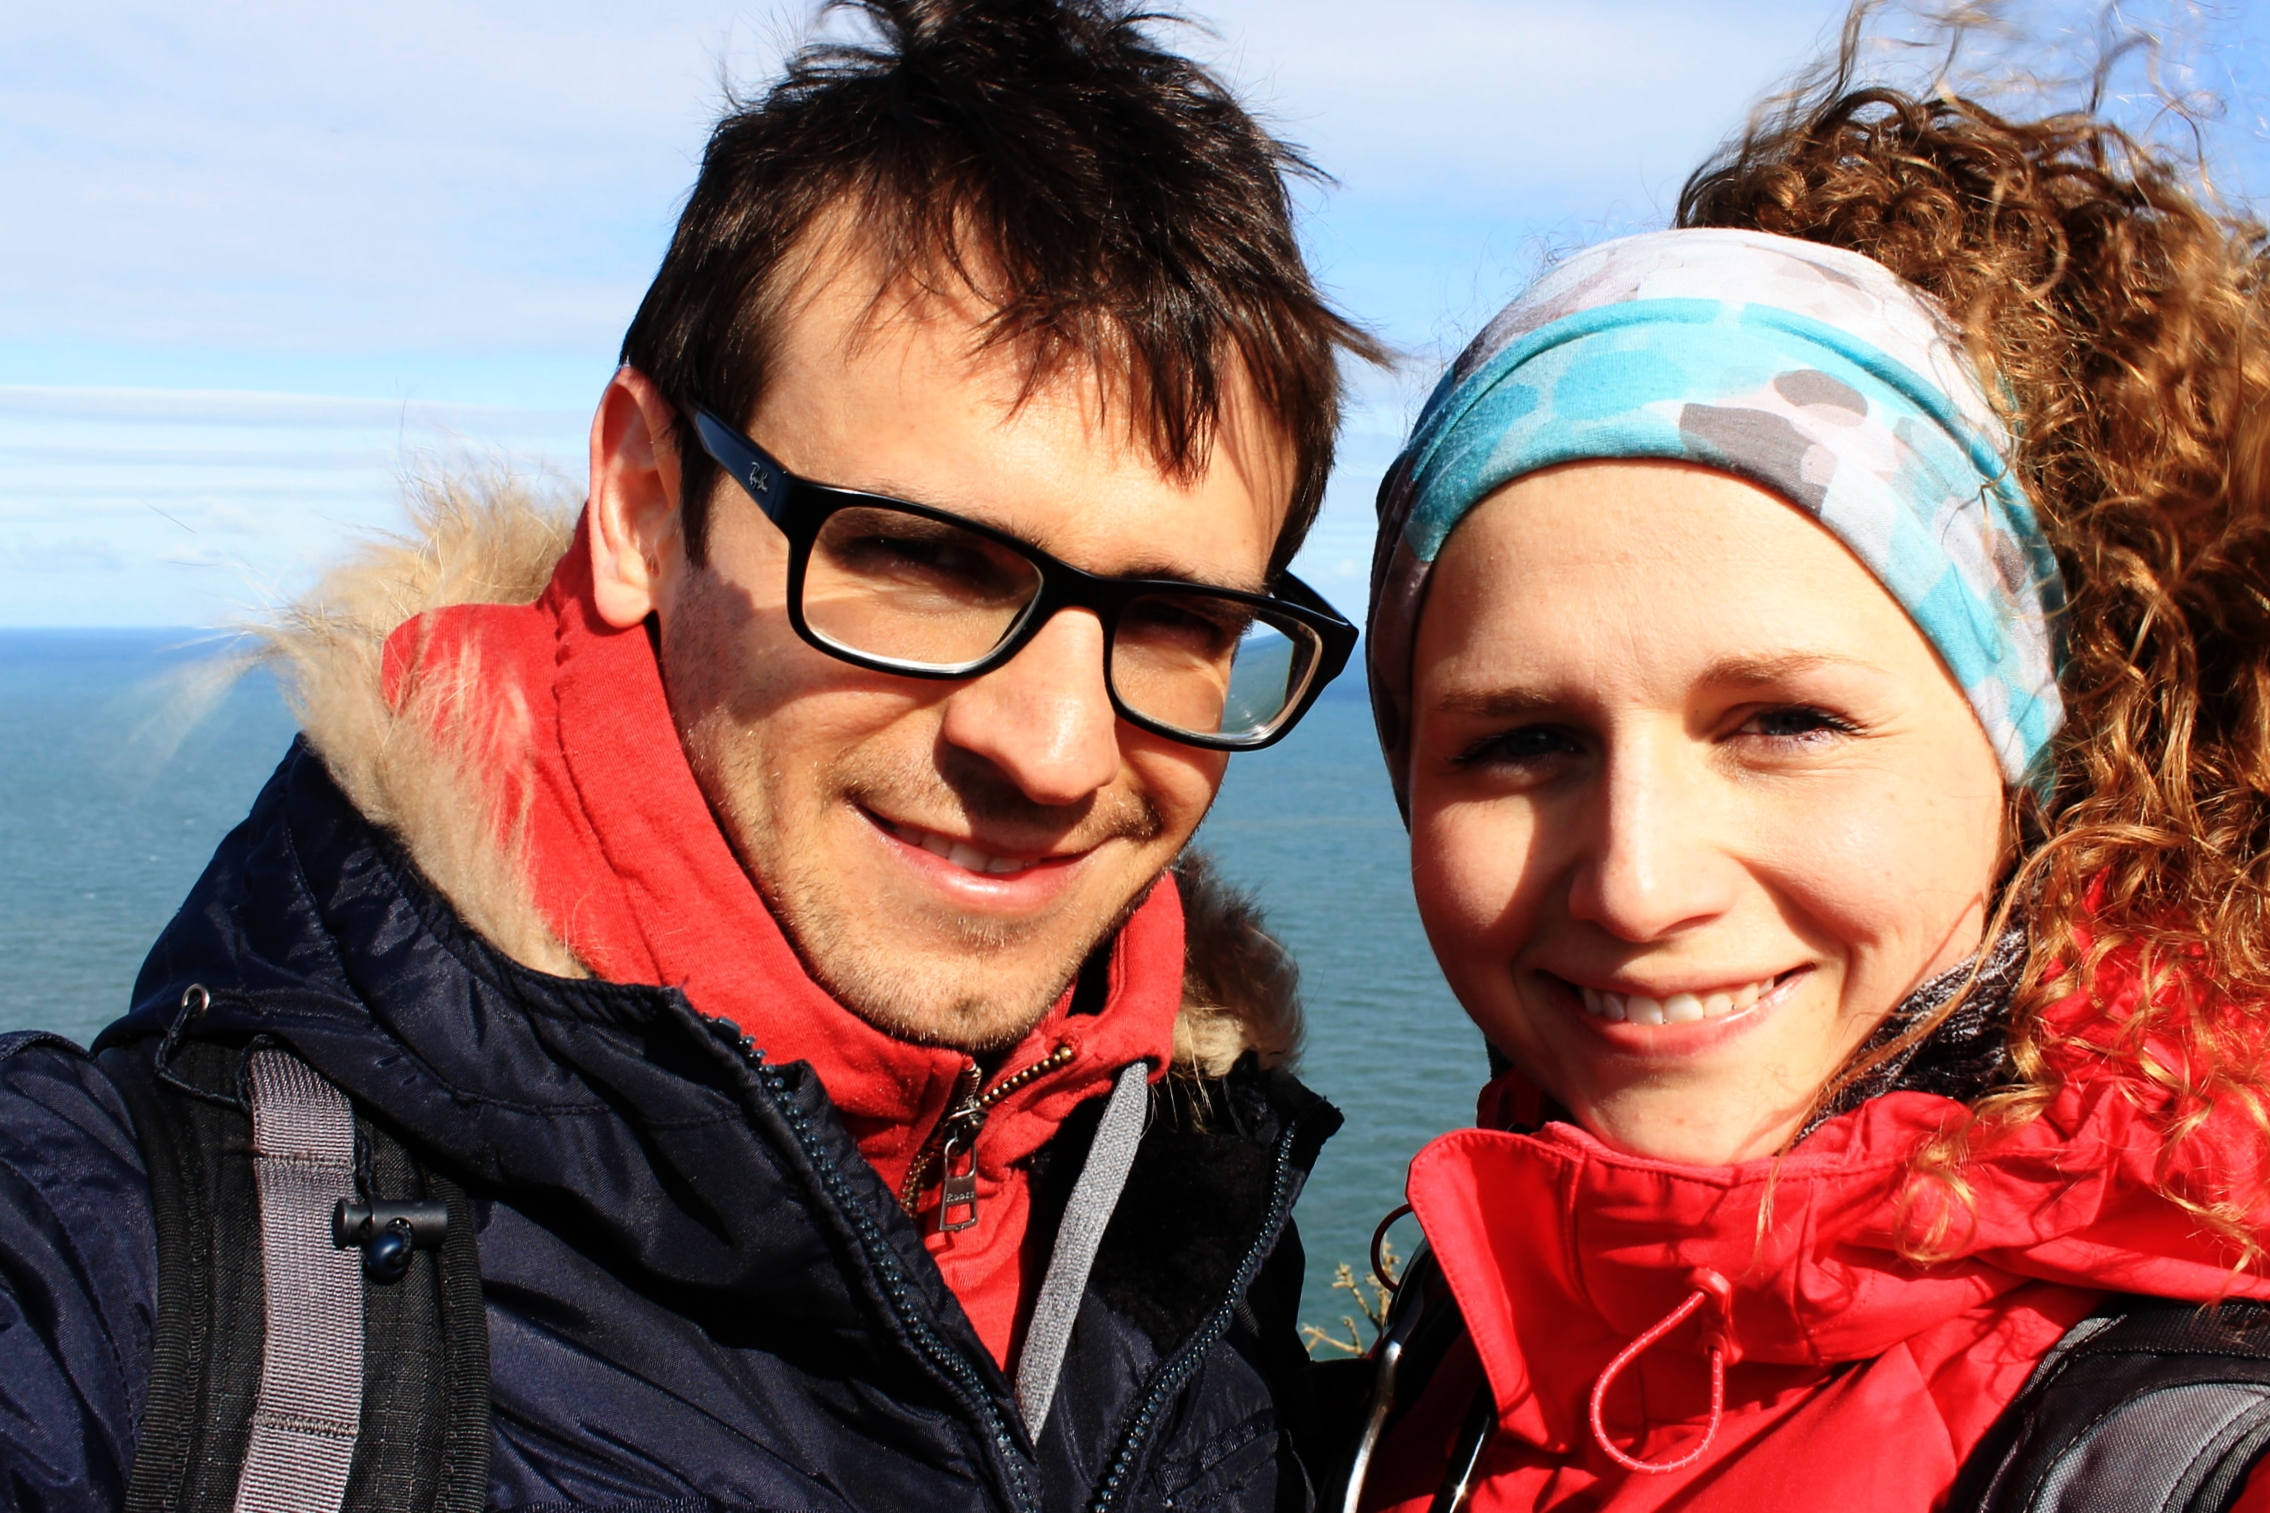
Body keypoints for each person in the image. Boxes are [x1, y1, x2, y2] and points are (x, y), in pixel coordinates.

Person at [0, 3, 1384, 1510]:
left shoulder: (1185, 1200)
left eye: (1177, 616)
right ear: (642, 507)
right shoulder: (124, 1286)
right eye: (921, 557)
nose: (1052, 751)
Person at [1344, 48, 2270, 1513]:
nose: (1636, 883)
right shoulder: (1498, 1317)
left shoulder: (2183, 1438)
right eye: (1521, 741)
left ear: (2033, 764)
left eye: (1784, 722)